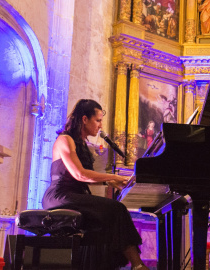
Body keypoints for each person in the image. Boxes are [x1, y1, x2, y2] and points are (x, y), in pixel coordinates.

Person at [42, 99, 149, 270]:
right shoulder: (64, 140)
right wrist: (112, 177)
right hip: (59, 196)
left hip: (73, 195)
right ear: (84, 119)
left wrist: (115, 182)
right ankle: (138, 265)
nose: (100, 126)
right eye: (98, 120)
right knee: (116, 209)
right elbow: (79, 174)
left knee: (106, 221)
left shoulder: (83, 144)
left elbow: (84, 177)